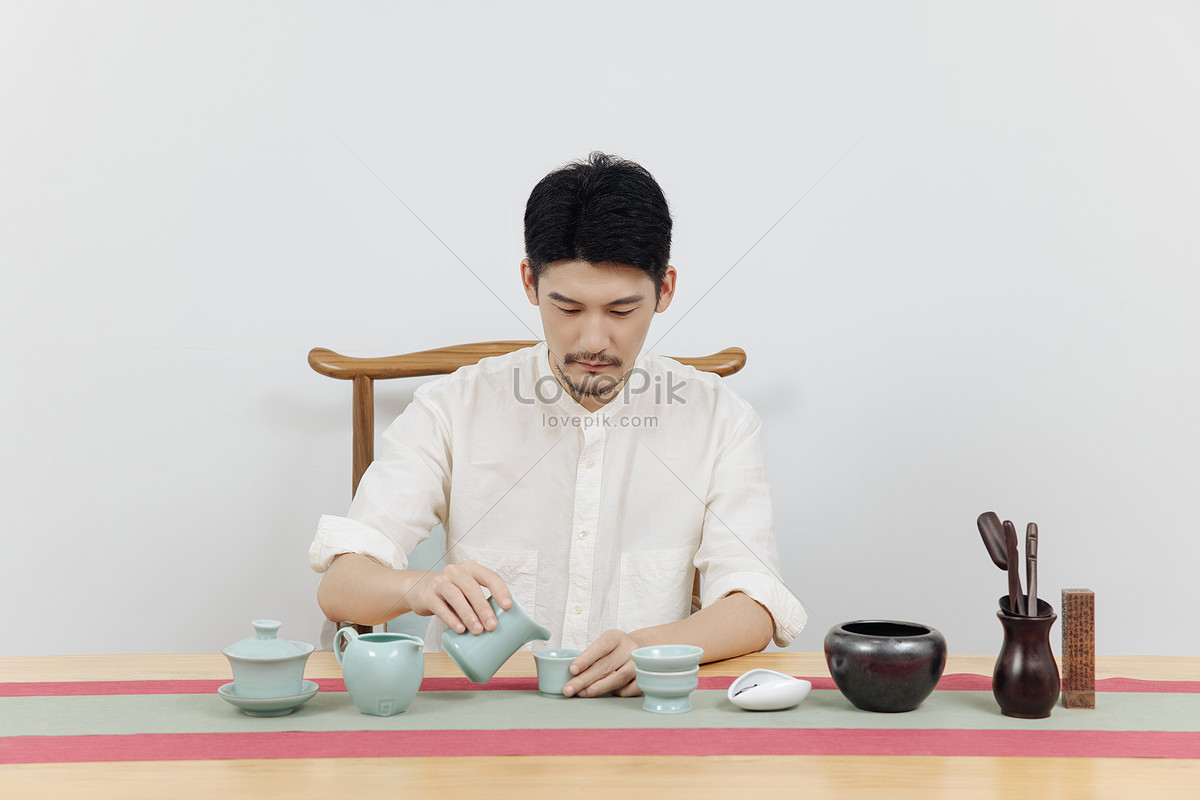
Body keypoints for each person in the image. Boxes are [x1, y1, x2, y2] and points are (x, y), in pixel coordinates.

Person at [310, 152, 805, 698]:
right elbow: (340, 586)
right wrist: (418, 586)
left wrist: (652, 646)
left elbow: (755, 604)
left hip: (639, 721)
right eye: (568, 309)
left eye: (621, 311)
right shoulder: (453, 406)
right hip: (480, 721)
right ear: (529, 282)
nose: (593, 342)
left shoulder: (719, 419)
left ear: (665, 290)